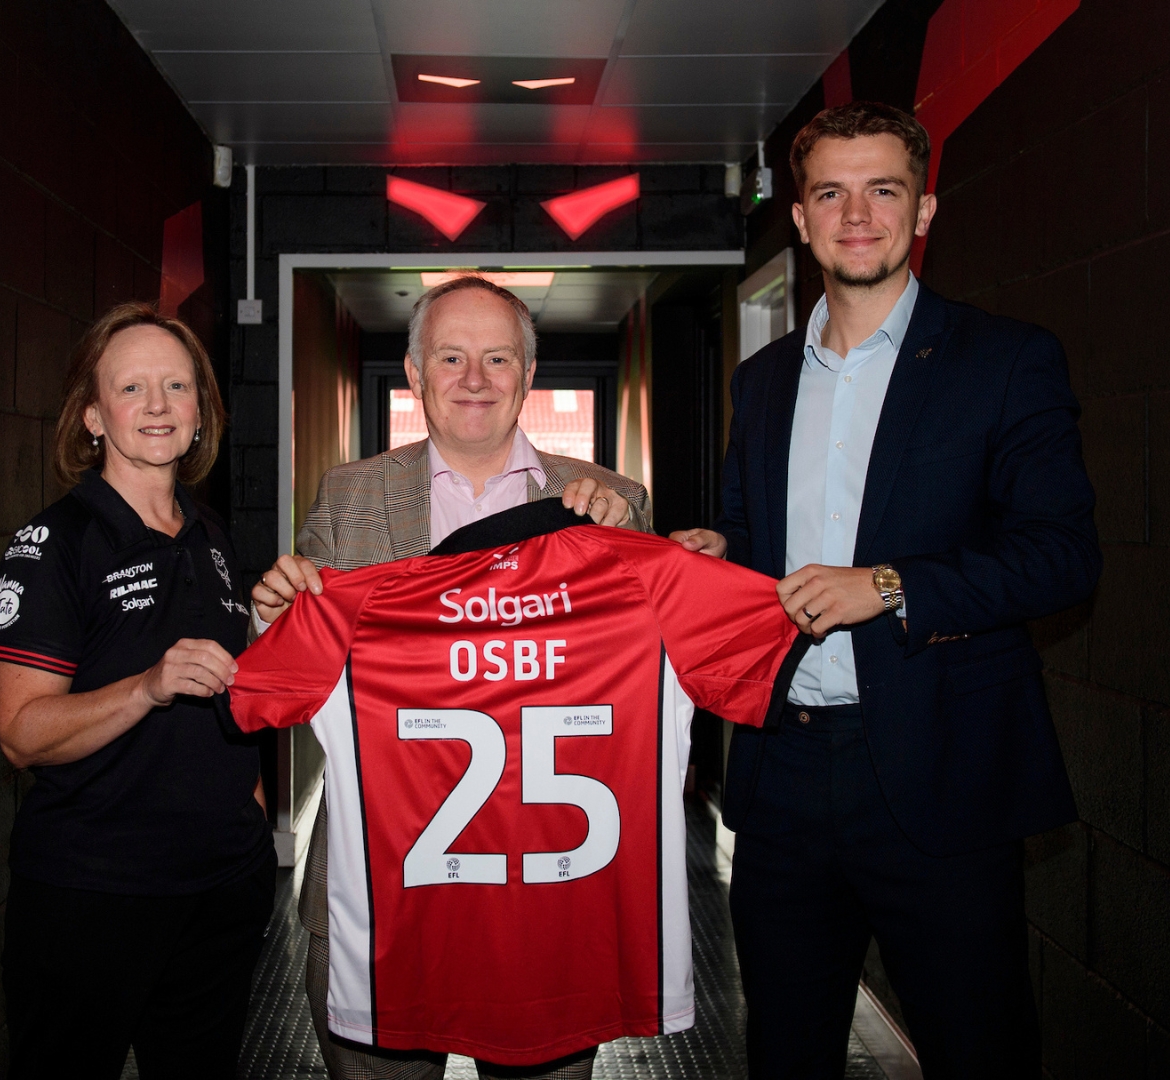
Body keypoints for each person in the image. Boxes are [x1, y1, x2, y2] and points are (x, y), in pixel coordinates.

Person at [670, 101, 1102, 1077]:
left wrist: (893, 584)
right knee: (785, 1050)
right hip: (781, 781)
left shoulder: (1006, 360)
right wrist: (716, 553)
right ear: (801, 217)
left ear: (924, 209)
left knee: (979, 1047)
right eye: (831, 192)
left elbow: (1063, 556)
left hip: (939, 774)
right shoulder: (766, 378)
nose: (855, 214)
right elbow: (755, 546)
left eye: (882, 190)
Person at [250, 273, 649, 1080]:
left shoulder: (611, 503)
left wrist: (638, 550)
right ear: (414, 374)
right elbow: (301, 667)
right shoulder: (350, 494)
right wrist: (272, 615)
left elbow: (654, 661)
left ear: (529, 377)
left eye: (498, 359)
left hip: (545, 878)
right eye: (452, 358)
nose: (475, 380)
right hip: (378, 876)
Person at [0, 302, 273, 1079]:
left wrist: (249, 819)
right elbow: (20, 733)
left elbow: (232, 702)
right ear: (93, 416)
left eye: (177, 386)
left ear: (200, 412)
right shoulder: (54, 545)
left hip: (218, 891)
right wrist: (145, 688)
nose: (156, 406)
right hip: (92, 897)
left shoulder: (213, 537)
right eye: (133, 387)